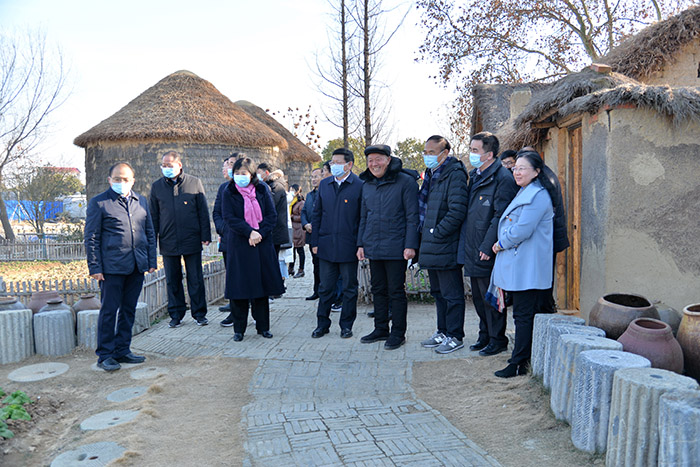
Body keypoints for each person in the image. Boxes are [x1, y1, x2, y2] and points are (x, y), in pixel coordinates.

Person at [490, 150, 556, 378]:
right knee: (522, 314)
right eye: (515, 168)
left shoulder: (537, 195)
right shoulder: (526, 191)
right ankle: (521, 359)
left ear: (536, 172)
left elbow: (522, 229)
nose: (516, 172)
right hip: (523, 263)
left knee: (524, 315)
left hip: (529, 266)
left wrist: (501, 243)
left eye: (522, 168)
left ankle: (519, 363)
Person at [85, 162, 157, 371]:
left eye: (126, 179)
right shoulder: (100, 203)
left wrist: (151, 260)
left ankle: (122, 350)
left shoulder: (140, 201)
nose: (121, 182)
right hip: (111, 268)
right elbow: (91, 237)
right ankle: (105, 354)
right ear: (110, 180)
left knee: (128, 310)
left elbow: (149, 232)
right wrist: (95, 267)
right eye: (117, 179)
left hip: (136, 265)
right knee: (109, 311)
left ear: (133, 181)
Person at [458, 132, 519, 357]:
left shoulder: (502, 178)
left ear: (490, 154)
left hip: (488, 248)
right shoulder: (475, 176)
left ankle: (498, 339)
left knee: (491, 297)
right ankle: (484, 334)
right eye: (471, 149)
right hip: (473, 244)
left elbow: (501, 216)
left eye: (475, 150)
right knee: (478, 296)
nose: (471, 154)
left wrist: (487, 245)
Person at [357, 145, 419, 350]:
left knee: (396, 291)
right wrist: (360, 243)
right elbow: (364, 217)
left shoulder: (405, 182)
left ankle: (398, 333)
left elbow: (412, 216)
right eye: (370, 160)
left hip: (396, 246)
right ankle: (380, 328)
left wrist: (410, 245)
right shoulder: (367, 184)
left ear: (388, 160)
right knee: (378, 289)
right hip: (373, 246)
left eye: (378, 159)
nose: (374, 164)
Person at [221, 157, 284, 340]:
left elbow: (271, 216)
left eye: (244, 173)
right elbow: (229, 217)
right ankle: (239, 329)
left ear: (252, 174)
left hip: (261, 244)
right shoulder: (229, 191)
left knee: (261, 288)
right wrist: (249, 232)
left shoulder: (262, 189)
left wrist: (259, 233)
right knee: (239, 288)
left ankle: (263, 327)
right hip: (240, 244)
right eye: (237, 173)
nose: (240, 176)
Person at [418, 135, 469, 354]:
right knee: (438, 293)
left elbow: (457, 211)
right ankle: (442, 331)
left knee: (452, 294)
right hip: (432, 244)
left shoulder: (454, 174)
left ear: (445, 153)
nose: (427, 156)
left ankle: (455, 335)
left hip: (446, 244)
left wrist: (437, 233)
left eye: (432, 152)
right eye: (425, 152)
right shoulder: (432, 174)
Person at [150, 151, 211, 328]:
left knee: (195, 278)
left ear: (179, 165)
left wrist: (205, 235)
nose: (166, 168)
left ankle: (199, 314)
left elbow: (203, 211)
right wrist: (153, 239)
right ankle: (176, 314)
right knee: (172, 279)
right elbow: (153, 216)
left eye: (169, 165)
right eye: (164, 165)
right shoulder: (157, 187)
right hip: (168, 240)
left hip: (191, 238)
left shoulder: (194, 183)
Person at [310, 148, 363, 338]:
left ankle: (346, 326)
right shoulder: (325, 184)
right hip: (326, 245)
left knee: (349, 288)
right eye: (332, 162)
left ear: (349, 165)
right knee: (325, 288)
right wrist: (315, 241)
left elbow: (362, 218)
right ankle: (322, 324)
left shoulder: (359, 185)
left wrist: (360, 244)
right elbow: (317, 214)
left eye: (338, 162)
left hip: (349, 246)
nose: (334, 166)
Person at [522, 146, 570, 314]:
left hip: (547, 237)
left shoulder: (543, 182)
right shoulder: (544, 176)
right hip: (549, 236)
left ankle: (545, 311)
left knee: (542, 280)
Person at [213, 154, 235, 313]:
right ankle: (234, 306)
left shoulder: (255, 188)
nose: (226, 168)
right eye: (227, 165)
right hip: (227, 238)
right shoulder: (223, 188)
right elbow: (217, 212)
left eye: (230, 164)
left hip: (246, 238)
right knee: (231, 273)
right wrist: (223, 229)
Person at [256, 163, 290, 256]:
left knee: (272, 258)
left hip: (275, 230)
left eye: (259, 172)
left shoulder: (276, 186)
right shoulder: (272, 185)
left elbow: (270, 205)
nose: (257, 175)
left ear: (266, 172)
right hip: (274, 230)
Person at [301, 168, 323, 300]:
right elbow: (304, 212)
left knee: (323, 266)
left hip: (322, 235)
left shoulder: (325, 193)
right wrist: (305, 224)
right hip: (310, 234)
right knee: (315, 264)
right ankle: (317, 291)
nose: (313, 179)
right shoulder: (309, 195)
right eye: (312, 177)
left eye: (316, 176)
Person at [289, 184, 306, 278]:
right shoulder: (291, 201)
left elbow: (302, 216)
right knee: (292, 250)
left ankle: (301, 269)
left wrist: (292, 217)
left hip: (299, 229)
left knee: (300, 250)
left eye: (292, 190)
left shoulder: (301, 203)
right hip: (293, 229)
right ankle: (291, 268)